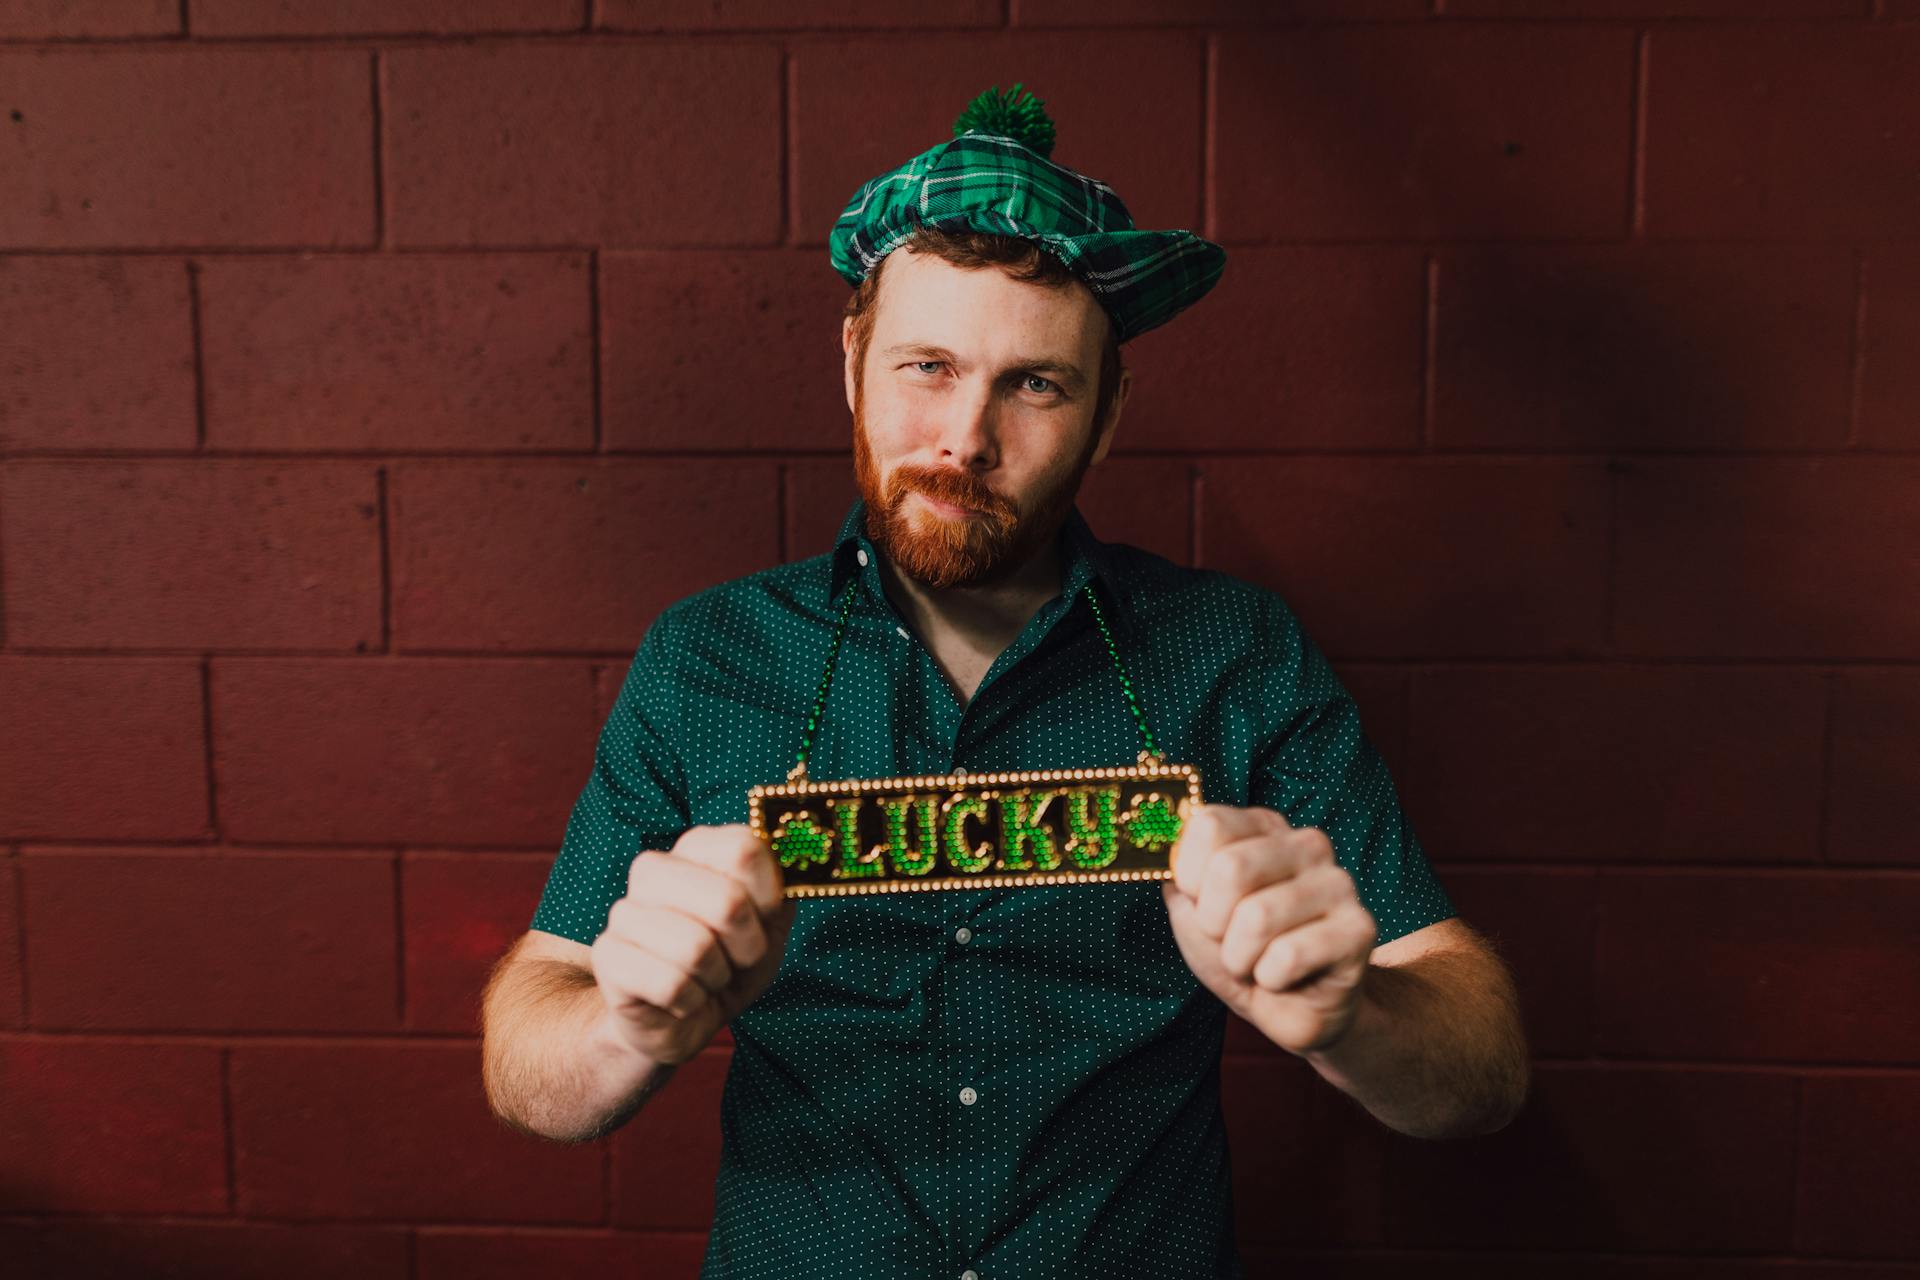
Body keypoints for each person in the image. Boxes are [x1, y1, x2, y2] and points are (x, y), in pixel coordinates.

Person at [481, 85, 1529, 1278]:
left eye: (1034, 384)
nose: (965, 439)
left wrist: (1355, 1017)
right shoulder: (707, 656)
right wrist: (626, 1021)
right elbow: (532, 1055)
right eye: (927, 366)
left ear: (1109, 410)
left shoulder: (1232, 652)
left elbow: (1478, 1068)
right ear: (852, 362)